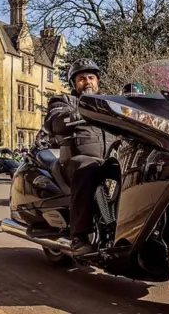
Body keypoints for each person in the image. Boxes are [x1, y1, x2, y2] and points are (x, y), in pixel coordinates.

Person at [44, 58, 116, 255]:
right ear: (74, 83)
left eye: (91, 77)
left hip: (109, 159)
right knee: (88, 168)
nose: (87, 82)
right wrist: (82, 112)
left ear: (98, 81)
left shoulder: (109, 103)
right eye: (82, 78)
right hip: (76, 160)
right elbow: (54, 121)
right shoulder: (64, 101)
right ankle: (79, 236)